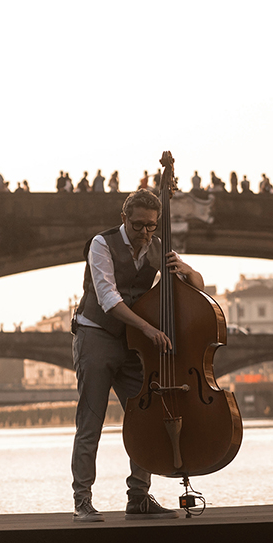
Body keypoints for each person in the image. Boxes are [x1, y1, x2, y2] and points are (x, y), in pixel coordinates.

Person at [70, 188, 202, 522]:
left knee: (148, 416)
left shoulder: (158, 247)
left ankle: (139, 497)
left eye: (151, 227)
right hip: (96, 335)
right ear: (124, 219)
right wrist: (147, 329)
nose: (145, 233)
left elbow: (197, 287)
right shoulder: (101, 243)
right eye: (139, 225)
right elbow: (107, 298)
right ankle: (82, 501)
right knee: (91, 422)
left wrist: (185, 269)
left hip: (131, 339)